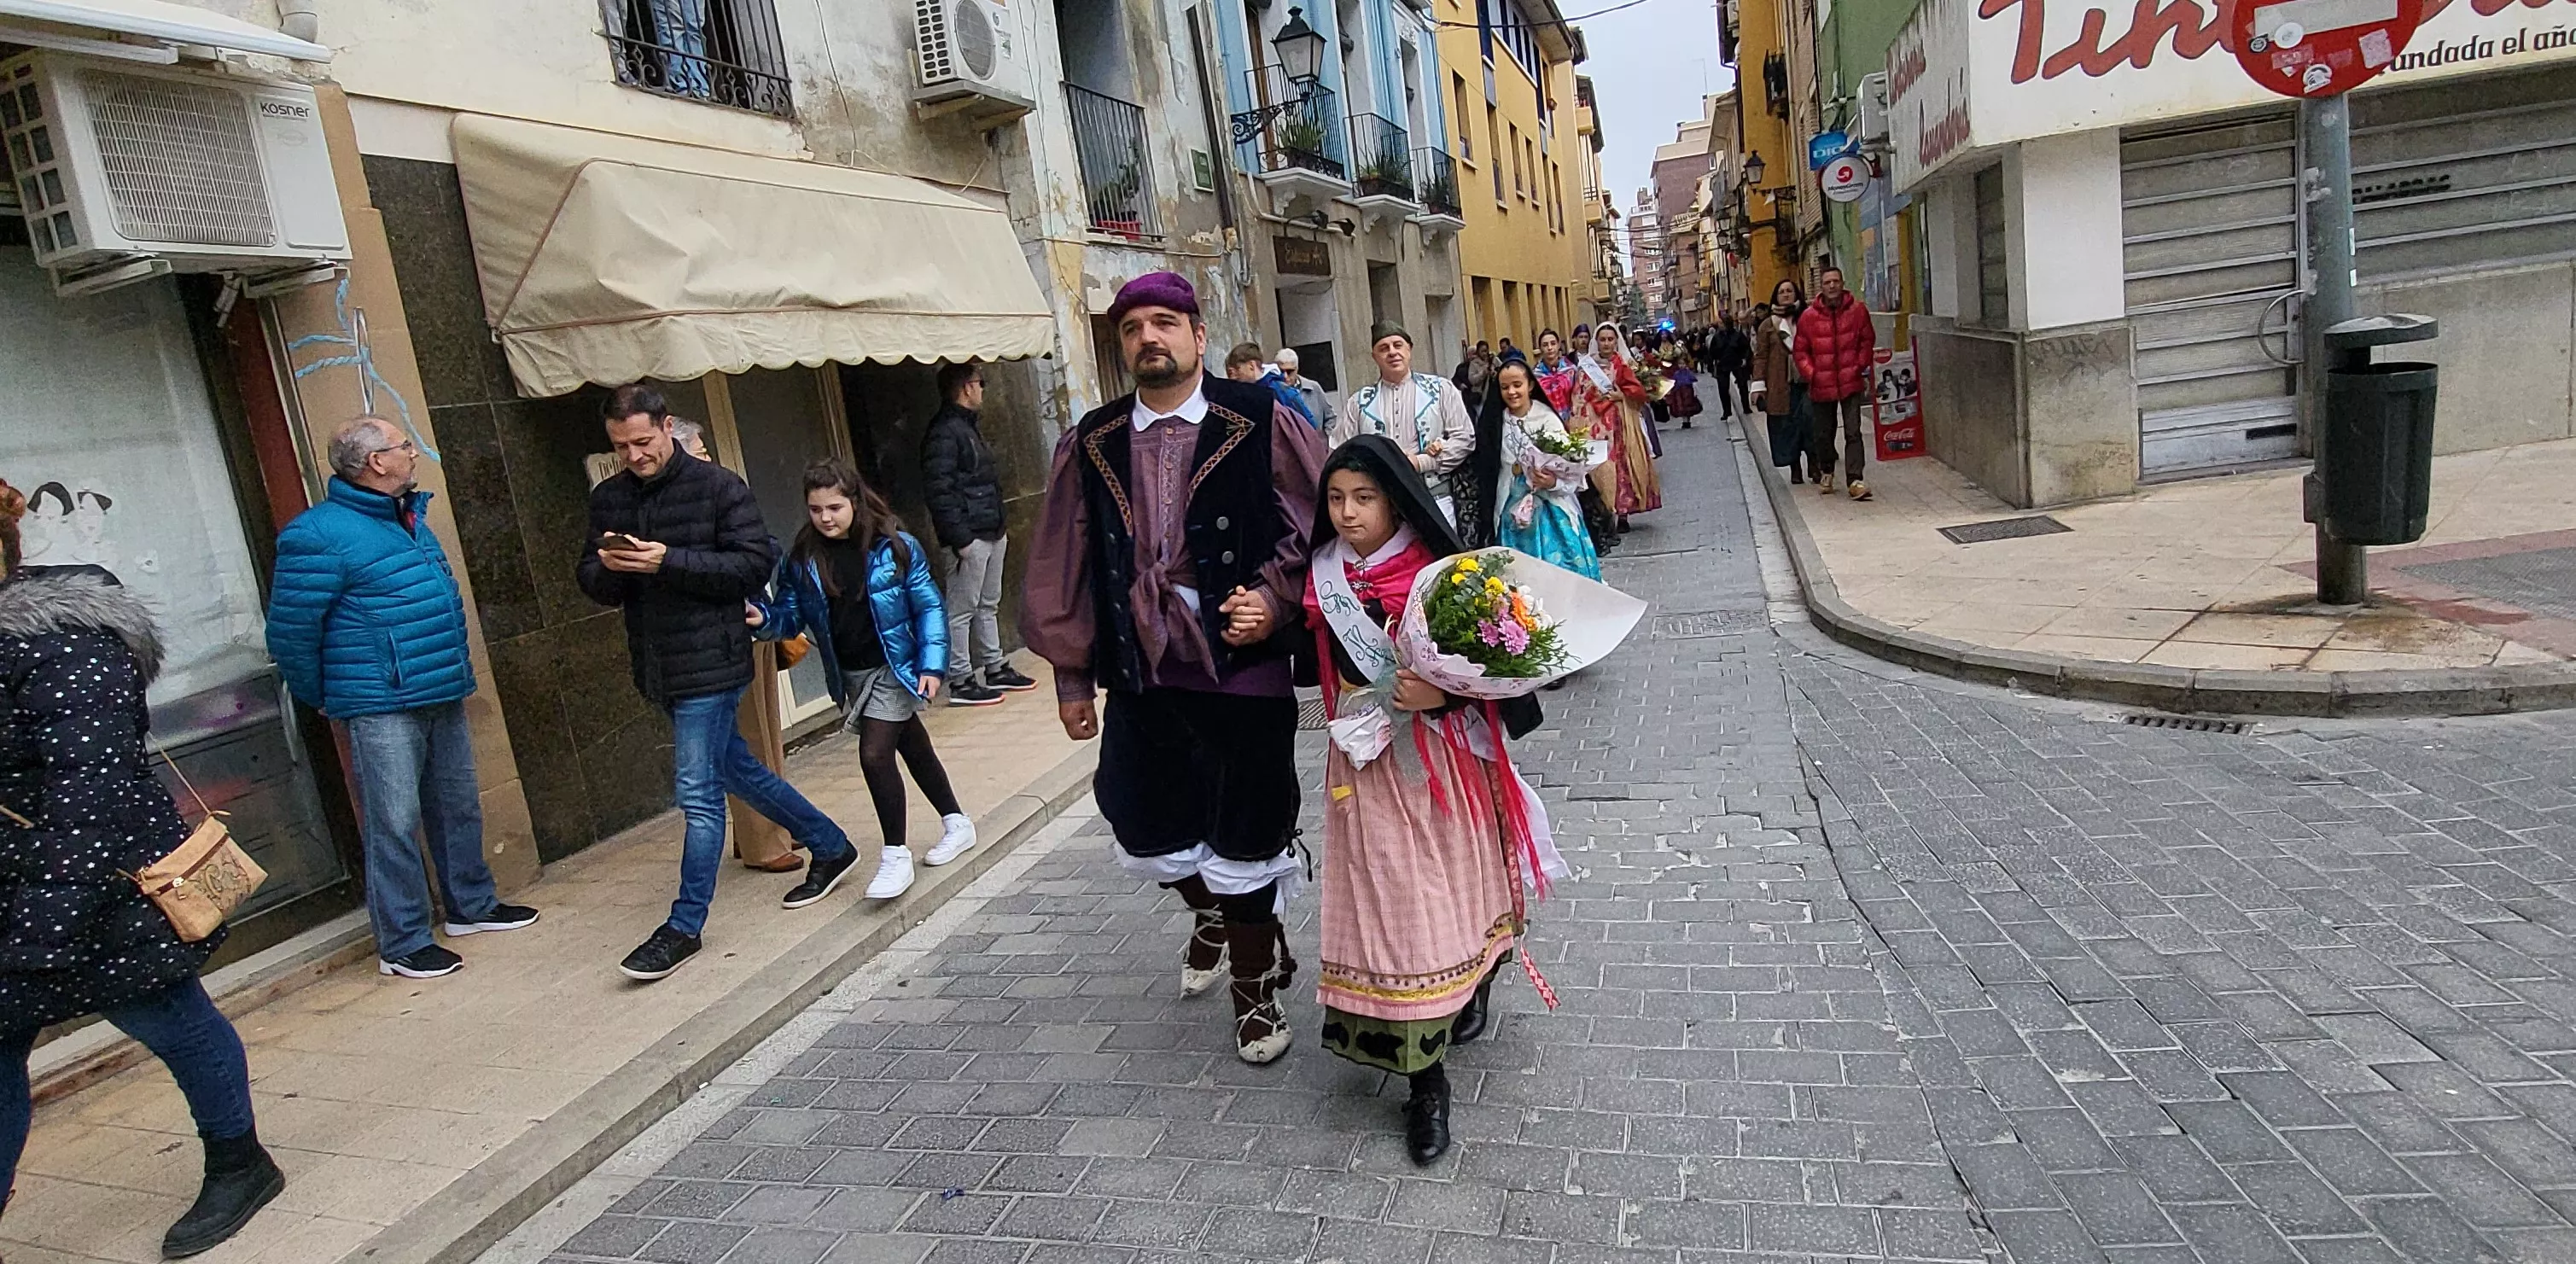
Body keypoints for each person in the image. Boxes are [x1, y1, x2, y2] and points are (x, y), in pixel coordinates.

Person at [1021, 271, 1326, 1064]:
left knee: (1248, 828)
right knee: (1140, 817)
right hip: (1141, 665)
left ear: (1198, 334)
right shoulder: (1092, 439)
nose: (1148, 338)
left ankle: (1257, 994)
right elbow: (1067, 557)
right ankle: (1220, 915)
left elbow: (1316, 522)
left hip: (1241, 665)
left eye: (1165, 322)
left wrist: (1274, 596)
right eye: (1131, 328)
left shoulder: (1261, 417)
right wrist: (1068, 674)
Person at [1, 479, 286, 1258]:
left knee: (172, 1018)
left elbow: (92, 789)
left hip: (99, 880)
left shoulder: (62, 640)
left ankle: (241, 1161)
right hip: (19, 888)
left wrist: (42, 929)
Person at [1297, 436, 1546, 1165]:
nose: (1346, 514)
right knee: (1401, 908)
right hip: (1365, 763)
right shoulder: (1321, 577)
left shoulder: (1443, 575)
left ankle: (1476, 976)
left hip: (1440, 759)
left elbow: (1504, 668)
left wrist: (1440, 693)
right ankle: (1424, 1082)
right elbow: (1294, 646)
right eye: (1336, 498)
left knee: (1460, 888)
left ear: (1396, 499)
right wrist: (1253, 622)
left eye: (1363, 498)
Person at [581, 384, 862, 982]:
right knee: (736, 769)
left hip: (714, 659)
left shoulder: (719, 487)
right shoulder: (609, 498)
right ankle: (831, 842)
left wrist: (668, 560)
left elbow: (753, 564)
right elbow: (592, 579)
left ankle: (683, 926)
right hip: (659, 664)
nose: (633, 455)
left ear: (665, 428)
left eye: (641, 441)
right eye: (619, 446)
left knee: (699, 792)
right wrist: (612, 568)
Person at [265, 417, 539, 980]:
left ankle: (470, 906)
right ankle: (404, 940)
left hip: (438, 684)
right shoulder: (316, 533)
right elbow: (291, 634)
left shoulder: (409, 515)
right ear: (374, 462)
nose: (413, 453)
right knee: (394, 820)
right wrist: (331, 697)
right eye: (403, 445)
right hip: (378, 700)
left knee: (457, 803)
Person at [752, 459, 973, 900]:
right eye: (816, 510)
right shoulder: (803, 558)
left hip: (895, 667)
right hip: (851, 675)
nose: (826, 518)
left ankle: (895, 856)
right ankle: (957, 822)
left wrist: (932, 666)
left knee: (874, 755)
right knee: (911, 744)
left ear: (855, 501)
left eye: (834, 506)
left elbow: (928, 607)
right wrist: (764, 620)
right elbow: (791, 614)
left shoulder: (896, 546)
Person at [920, 362, 1033, 707]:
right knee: (961, 609)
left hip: (990, 530)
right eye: (980, 383)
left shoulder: (966, 428)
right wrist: (961, 540)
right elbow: (940, 491)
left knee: (988, 604)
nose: (983, 389)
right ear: (966, 388)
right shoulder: (945, 432)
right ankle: (961, 677)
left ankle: (994, 665)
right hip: (970, 537)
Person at [1332, 323, 1477, 526]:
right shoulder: (1359, 402)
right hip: (1380, 506)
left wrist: (1421, 462)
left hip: (1435, 499)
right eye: (1384, 348)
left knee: (1439, 557)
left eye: (1398, 345)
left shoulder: (1441, 389)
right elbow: (1339, 451)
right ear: (1374, 356)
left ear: (1409, 349)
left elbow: (1465, 438)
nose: (1392, 352)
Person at [1491, 359, 1602, 581]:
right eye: (1505, 387)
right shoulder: (1495, 423)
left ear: (1530, 385)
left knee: (1563, 573)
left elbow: (1571, 468)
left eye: (1517, 384)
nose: (1512, 392)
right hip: (1513, 512)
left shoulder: (1547, 419)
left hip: (1552, 508)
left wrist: (1552, 482)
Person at [1570, 324, 1663, 530]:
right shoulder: (1587, 367)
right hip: (1595, 424)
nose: (1606, 344)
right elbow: (1578, 394)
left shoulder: (1623, 364)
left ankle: (1623, 514)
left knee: (1621, 467)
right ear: (1597, 341)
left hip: (1620, 424)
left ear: (1616, 341)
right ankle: (1604, 511)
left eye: (1610, 339)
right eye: (1602, 339)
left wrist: (1621, 396)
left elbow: (1637, 392)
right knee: (1599, 469)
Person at [1798, 266, 1878, 501]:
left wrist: (1859, 365)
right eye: (1827, 282)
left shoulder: (1858, 311)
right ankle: (1827, 470)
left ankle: (1855, 479)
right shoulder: (1809, 317)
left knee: (1853, 431)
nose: (1832, 286)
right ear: (1821, 287)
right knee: (1824, 433)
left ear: (1842, 283)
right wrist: (1812, 373)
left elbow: (1867, 340)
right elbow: (1801, 351)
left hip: (1850, 381)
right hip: (1821, 384)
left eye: (1836, 281)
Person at [1751, 286, 1813, 484]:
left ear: (1796, 294)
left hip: (1807, 381)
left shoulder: (1808, 318)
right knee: (1787, 428)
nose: (1786, 295)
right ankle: (1795, 467)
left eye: (1790, 291)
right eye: (1782, 292)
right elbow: (1761, 357)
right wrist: (1759, 386)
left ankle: (1815, 464)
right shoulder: (1768, 325)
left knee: (1811, 423)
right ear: (1775, 297)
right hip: (1780, 384)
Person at [1226, 343, 1320, 430]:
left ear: (1251, 366)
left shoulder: (1281, 390)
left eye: (1236, 370)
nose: (1233, 378)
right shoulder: (1242, 396)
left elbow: (1309, 426)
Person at [1275, 348, 1331, 428]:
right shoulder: (1272, 392)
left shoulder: (1314, 388)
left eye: (1289, 371)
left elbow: (1330, 417)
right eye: (1281, 372)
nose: (1285, 376)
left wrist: (1325, 438)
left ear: (1297, 369)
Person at [1712, 312, 1753, 420]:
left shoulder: (1737, 335)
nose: (1719, 325)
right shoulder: (1717, 337)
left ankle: (1746, 407)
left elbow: (1746, 348)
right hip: (1722, 364)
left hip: (1737, 363)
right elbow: (1712, 351)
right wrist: (1713, 364)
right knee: (1723, 388)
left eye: (1721, 323)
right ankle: (1726, 411)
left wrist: (1744, 359)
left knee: (1743, 386)